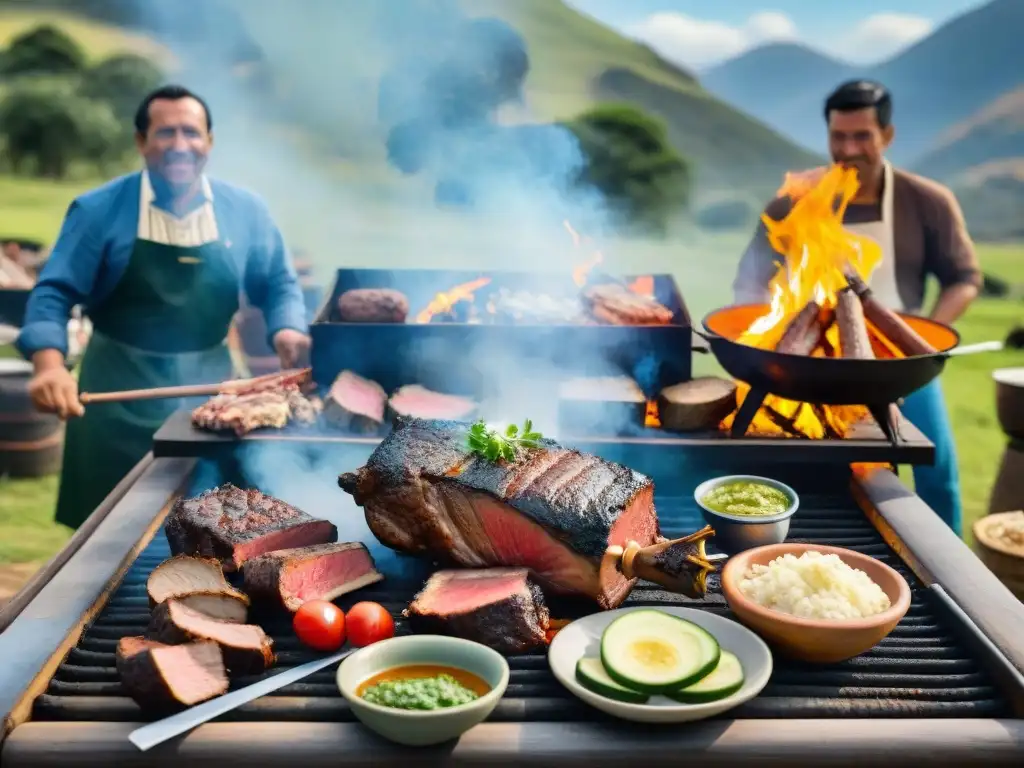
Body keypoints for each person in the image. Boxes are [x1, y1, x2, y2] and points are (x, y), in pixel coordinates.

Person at [16, 85, 311, 530]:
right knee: (105, 544)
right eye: (165, 133)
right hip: (114, 399)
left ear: (209, 142)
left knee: (215, 530)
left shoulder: (245, 211)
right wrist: (48, 365)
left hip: (213, 403)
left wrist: (288, 331)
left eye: (191, 133)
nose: (179, 146)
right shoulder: (98, 210)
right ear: (141, 142)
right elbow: (53, 292)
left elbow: (279, 284)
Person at [732, 80, 981, 535]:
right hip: (807, 360)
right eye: (838, 136)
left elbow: (964, 278)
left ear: (887, 136)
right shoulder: (796, 199)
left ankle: (950, 574)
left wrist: (922, 343)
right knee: (798, 468)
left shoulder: (926, 201)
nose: (849, 149)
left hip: (898, 363)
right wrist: (759, 338)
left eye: (862, 136)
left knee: (936, 473)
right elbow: (750, 280)